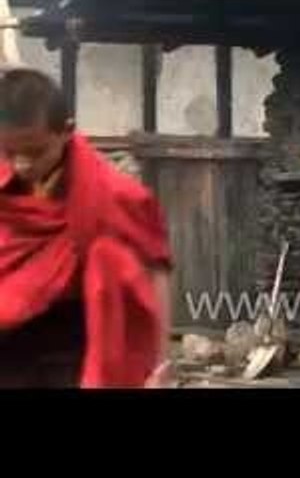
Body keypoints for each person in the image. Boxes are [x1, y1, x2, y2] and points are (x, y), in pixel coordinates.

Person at [0, 68, 173, 388]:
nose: (23, 164)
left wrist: (159, 362)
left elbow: (154, 269)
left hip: (76, 344)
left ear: (67, 131)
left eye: (36, 152)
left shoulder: (114, 195)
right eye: (11, 152)